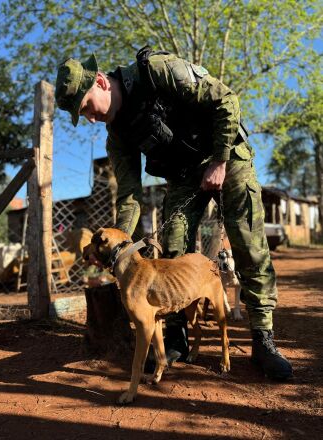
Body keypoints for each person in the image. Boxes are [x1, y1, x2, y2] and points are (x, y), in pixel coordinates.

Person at [55, 46, 293, 380]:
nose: (91, 119)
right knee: (174, 246)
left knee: (247, 242)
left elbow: (227, 100)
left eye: (87, 108)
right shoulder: (117, 136)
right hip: (183, 177)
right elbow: (129, 197)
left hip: (227, 157)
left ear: (100, 82)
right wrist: (118, 246)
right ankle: (176, 336)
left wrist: (220, 161)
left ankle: (262, 338)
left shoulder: (157, 71)